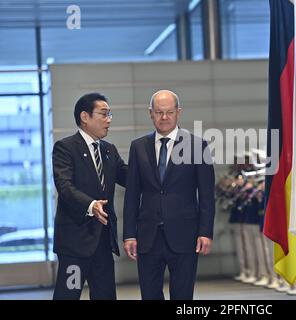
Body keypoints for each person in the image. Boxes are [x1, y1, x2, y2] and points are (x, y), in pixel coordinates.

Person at [123, 89, 215, 300]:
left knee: (182, 297)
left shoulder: (197, 146)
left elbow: (207, 195)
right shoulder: (138, 147)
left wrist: (205, 231)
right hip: (148, 237)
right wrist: (129, 233)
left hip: (186, 235)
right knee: (149, 295)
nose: (164, 117)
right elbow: (132, 194)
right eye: (159, 112)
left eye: (169, 112)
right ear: (151, 113)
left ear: (178, 112)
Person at [52, 93, 127, 300]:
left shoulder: (109, 150)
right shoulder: (65, 148)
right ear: (85, 117)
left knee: (105, 296)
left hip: (103, 242)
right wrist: (91, 204)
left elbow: (128, 177)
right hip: (75, 244)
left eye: (110, 114)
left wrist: (158, 168)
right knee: (68, 295)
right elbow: (64, 186)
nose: (109, 119)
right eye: (104, 114)